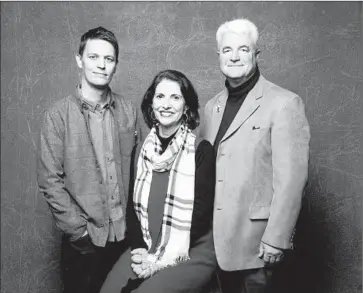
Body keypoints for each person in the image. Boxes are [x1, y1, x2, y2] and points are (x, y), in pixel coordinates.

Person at [201, 18, 311, 293]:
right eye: (227, 50)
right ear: (219, 56)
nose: (235, 57)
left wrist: (277, 238)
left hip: (257, 246)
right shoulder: (211, 107)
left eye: (243, 49)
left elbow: (292, 180)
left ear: (256, 54)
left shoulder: (284, 103)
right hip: (212, 243)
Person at [37, 26, 143, 293]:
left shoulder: (128, 110)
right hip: (84, 243)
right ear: (79, 59)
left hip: (125, 239)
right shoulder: (57, 116)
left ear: (116, 65)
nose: (101, 65)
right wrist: (78, 232)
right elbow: (50, 180)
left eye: (108, 59)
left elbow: (141, 170)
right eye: (94, 57)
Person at [100, 69, 217, 293]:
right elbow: (132, 211)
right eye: (160, 96)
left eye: (175, 97)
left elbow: (200, 216)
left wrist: (160, 257)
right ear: (151, 104)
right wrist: (141, 250)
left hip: (188, 251)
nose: (166, 104)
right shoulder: (141, 151)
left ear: (186, 107)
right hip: (146, 245)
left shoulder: (201, 150)